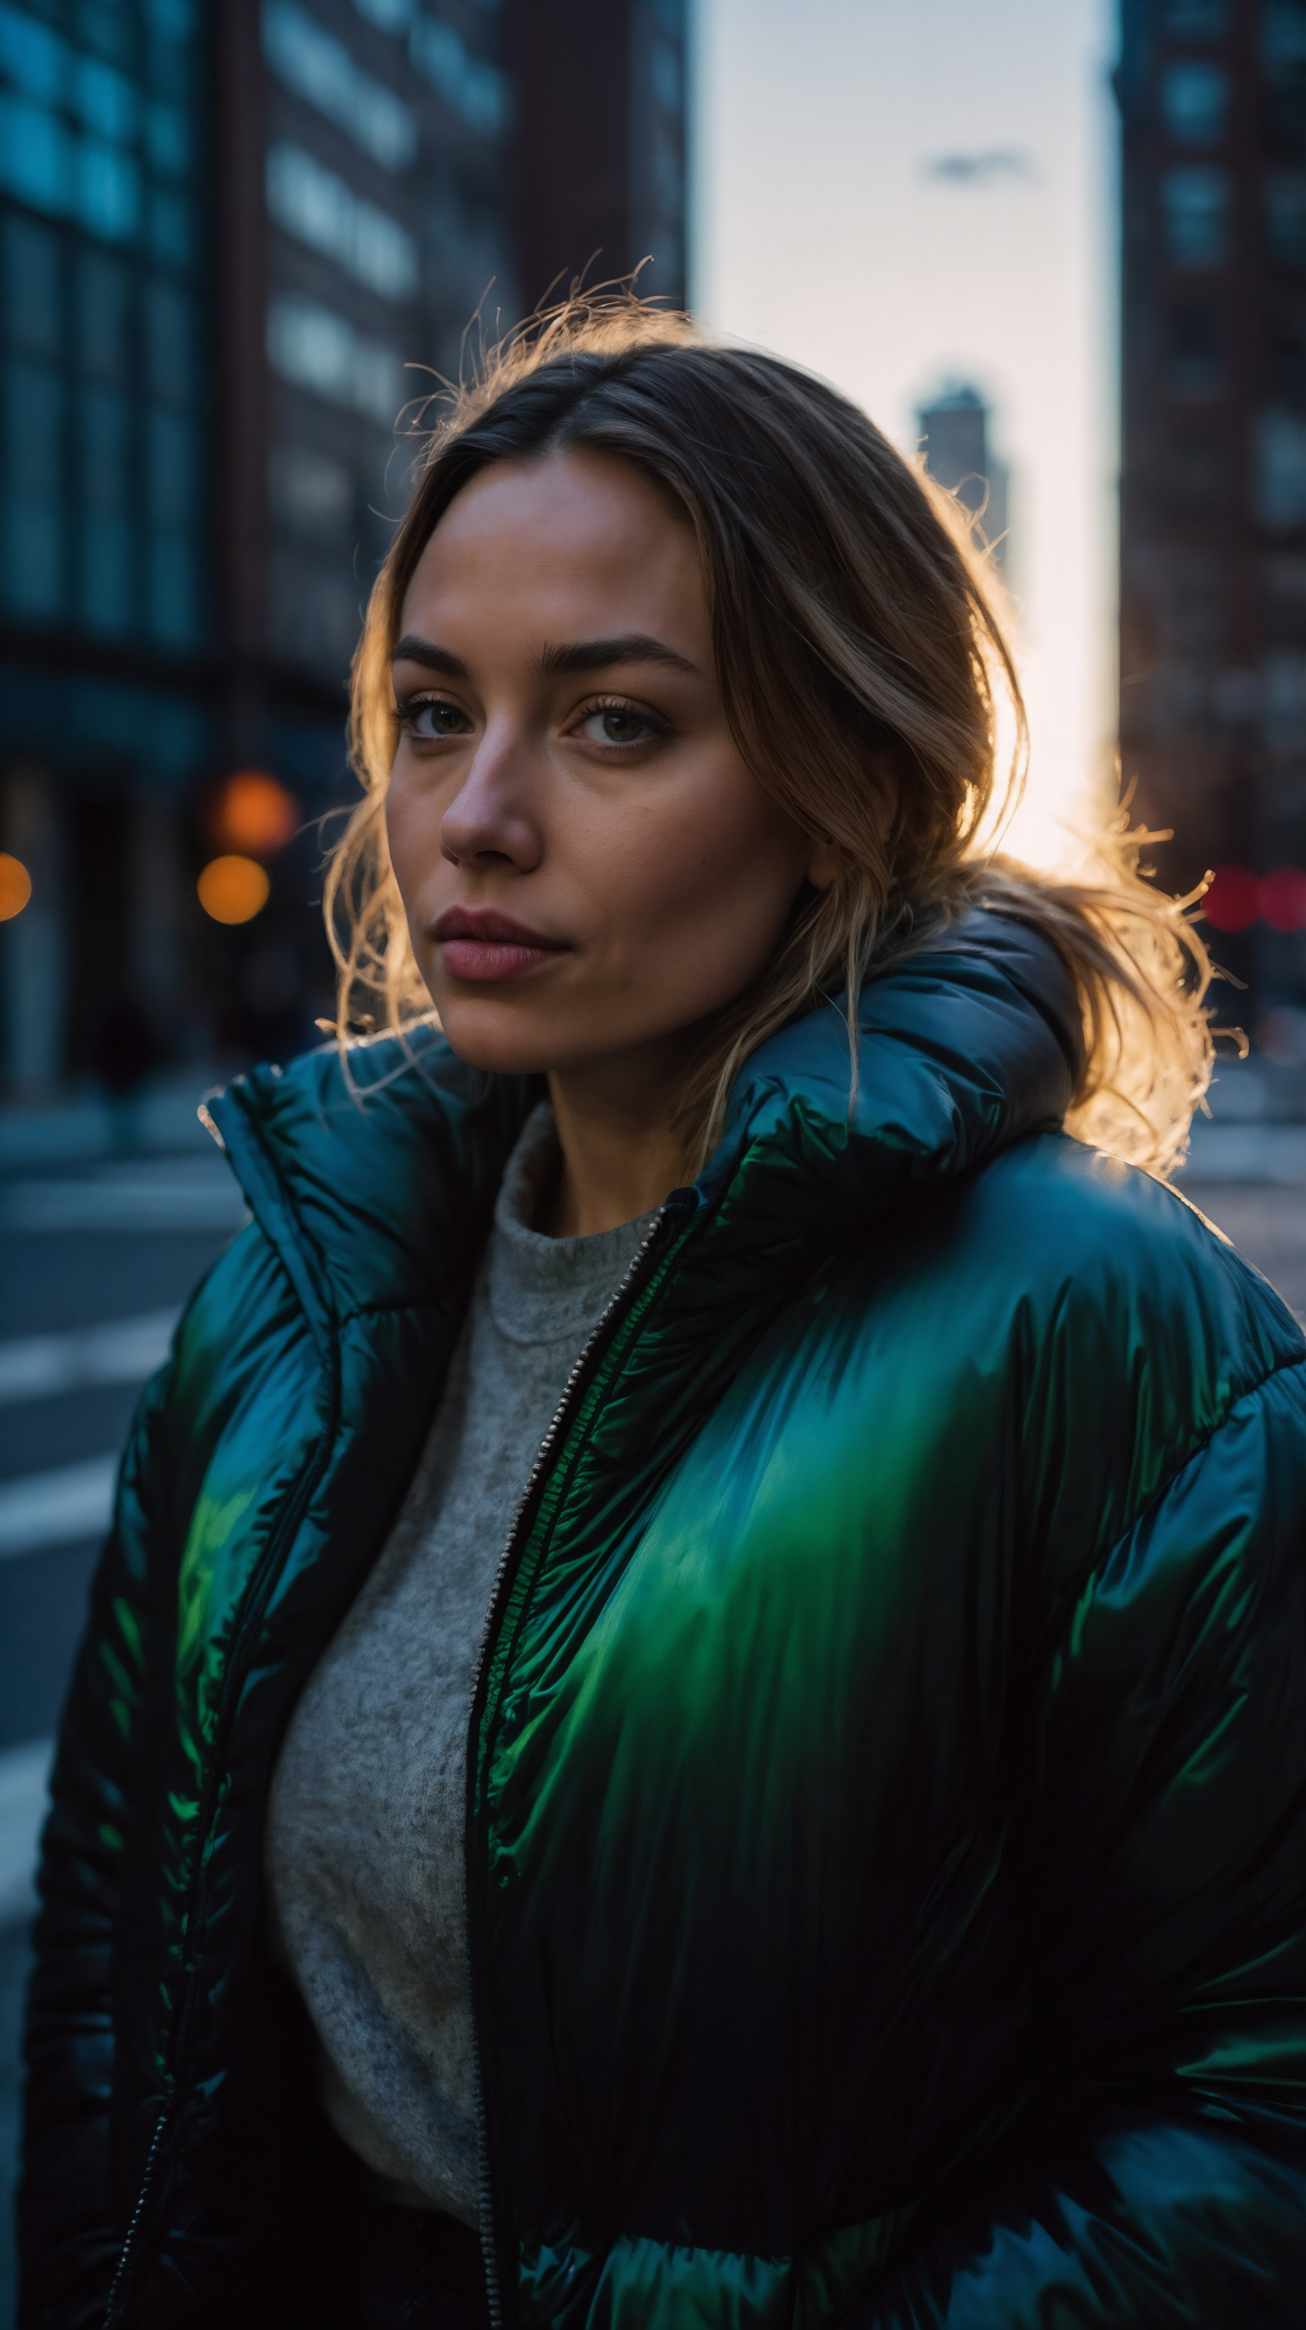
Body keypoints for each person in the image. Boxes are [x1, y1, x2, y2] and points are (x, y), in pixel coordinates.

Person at [20, 300, 1306, 2330]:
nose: (477, 815)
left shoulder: (1106, 1338)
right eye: (435, 714)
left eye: (614, 720)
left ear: (842, 780)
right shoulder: (278, 1310)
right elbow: (113, 1970)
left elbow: (1251, 2124)